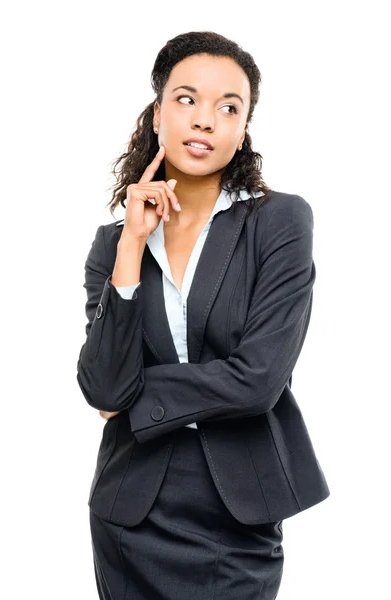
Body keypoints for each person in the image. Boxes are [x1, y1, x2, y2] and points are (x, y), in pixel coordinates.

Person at [76, 30, 330, 600]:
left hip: (236, 511)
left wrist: (135, 398)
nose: (206, 119)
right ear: (157, 113)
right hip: (129, 511)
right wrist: (131, 250)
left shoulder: (279, 223)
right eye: (187, 99)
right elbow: (101, 385)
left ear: (242, 132)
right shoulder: (113, 245)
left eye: (229, 107)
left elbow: (258, 381)